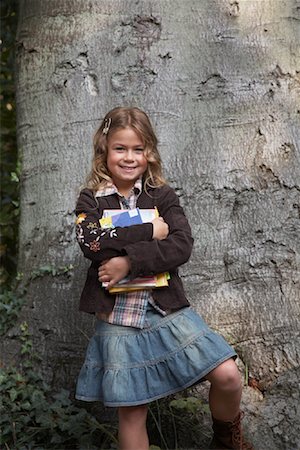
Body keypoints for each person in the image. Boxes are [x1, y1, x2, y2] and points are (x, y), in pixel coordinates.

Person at [74, 106, 253, 450]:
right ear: (104, 150)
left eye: (138, 149)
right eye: (120, 148)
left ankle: (226, 440)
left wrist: (128, 262)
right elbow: (92, 242)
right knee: (132, 411)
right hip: (117, 317)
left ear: (149, 152)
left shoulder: (162, 195)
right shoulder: (90, 199)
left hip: (163, 309)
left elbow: (181, 245)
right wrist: (149, 230)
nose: (129, 157)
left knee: (228, 374)